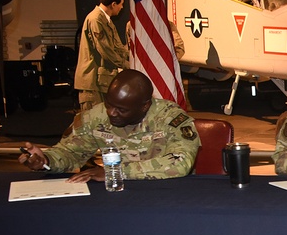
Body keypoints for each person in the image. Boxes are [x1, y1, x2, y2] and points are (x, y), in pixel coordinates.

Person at [18, 69, 199, 182]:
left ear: (144, 106)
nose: (111, 113)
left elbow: (181, 162)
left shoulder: (171, 118)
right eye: (109, 104)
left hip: (166, 195)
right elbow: (71, 153)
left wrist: (115, 172)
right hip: (116, 194)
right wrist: (47, 160)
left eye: (121, 109)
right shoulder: (96, 117)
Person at [74, 0, 129, 111]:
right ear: (113, 4)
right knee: (94, 123)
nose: (121, 8)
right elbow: (106, 51)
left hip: (101, 82)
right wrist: (127, 65)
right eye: (121, 4)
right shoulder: (96, 19)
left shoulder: (106, 20)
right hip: (92, 83)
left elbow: (118, 47)